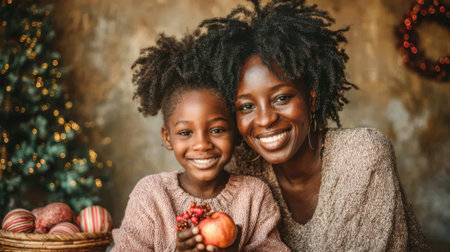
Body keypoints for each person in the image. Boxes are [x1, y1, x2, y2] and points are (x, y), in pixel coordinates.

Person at [178, 0, 431, 251]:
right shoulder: (240, 168)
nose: (265, 119)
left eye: (281, 98)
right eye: (246, 106)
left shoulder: (362, 154)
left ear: (311, 98)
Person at [111, 34, 290, 251]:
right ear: (167, 137)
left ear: (235, 133)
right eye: (186, 132)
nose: (202, 144)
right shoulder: (151, 195)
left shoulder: (254, 195)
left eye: (217, 130)